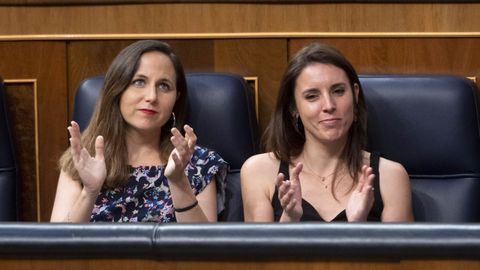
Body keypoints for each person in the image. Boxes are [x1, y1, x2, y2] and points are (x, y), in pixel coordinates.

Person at [50, 40, 227, 223]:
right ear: (117, 89)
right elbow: (57, 247)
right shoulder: (84, 160)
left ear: (176, 98)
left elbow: (202, 248)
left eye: (164, 86)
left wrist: (179, 182)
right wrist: (90, 192)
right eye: (139, 82)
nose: (151, 97)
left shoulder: (198, 163)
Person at [241, 43, 413, 222]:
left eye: (338, 91)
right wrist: (289, 220)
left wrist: (359, 227)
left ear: (355, 95)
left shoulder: (390, 176)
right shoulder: (259, 171)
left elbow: (398, 251)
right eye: (312, 96)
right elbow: (259, 251)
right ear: (293, 107)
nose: (329, 106)